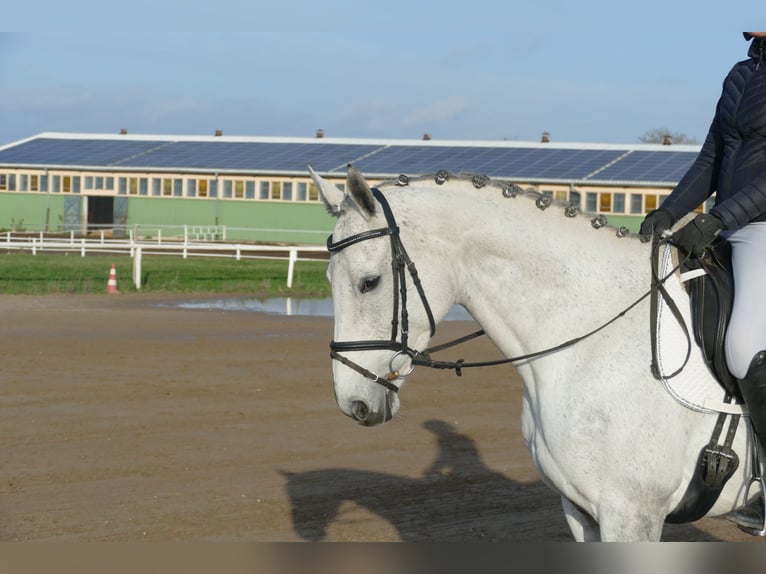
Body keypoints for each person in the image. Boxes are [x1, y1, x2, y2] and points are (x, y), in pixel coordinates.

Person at [640, 32, 766, 532]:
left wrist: (719, 219)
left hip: (760, 230)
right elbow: (712, 156)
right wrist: (669, 212)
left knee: (742, 348)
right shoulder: (741, 73)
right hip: (724, 224)